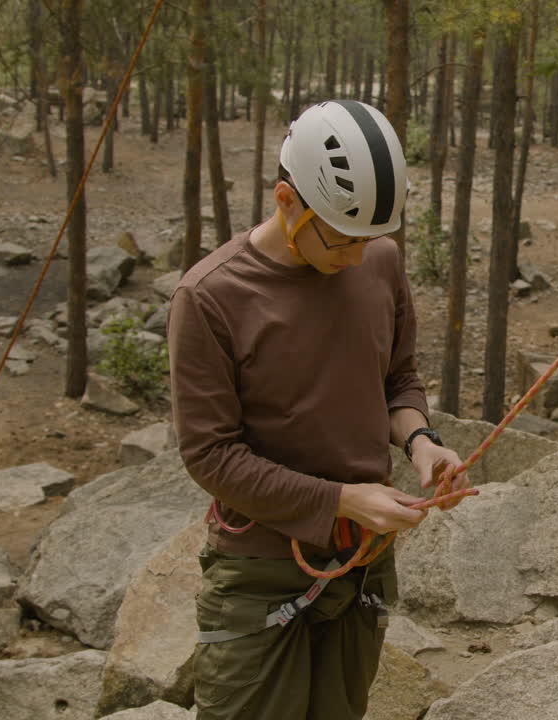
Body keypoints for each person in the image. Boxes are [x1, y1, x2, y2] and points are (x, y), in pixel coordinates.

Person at [167, 99, 470, 719]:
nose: (356, 258)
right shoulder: (211, 297)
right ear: (286, 200)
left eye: (370, 238)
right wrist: (339, 499)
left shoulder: (378, 260)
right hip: (259, 572)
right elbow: (211, 456)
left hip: (361, 563)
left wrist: (421, 443)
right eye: (339, 238)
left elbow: (397, 380)